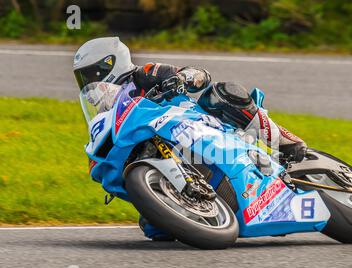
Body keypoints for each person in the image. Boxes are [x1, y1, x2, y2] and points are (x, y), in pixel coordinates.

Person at [73, 37, 307, 240]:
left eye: (90, 75)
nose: (88, 83)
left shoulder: (144, 75)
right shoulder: (107, 111)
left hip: (196, 124)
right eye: (82, 79)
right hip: (169, 155)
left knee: (224, 93)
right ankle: (193, 202)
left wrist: (183, 77)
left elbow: (200, 75)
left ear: (110, 63)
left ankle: (281, 139)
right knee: (154, 229)